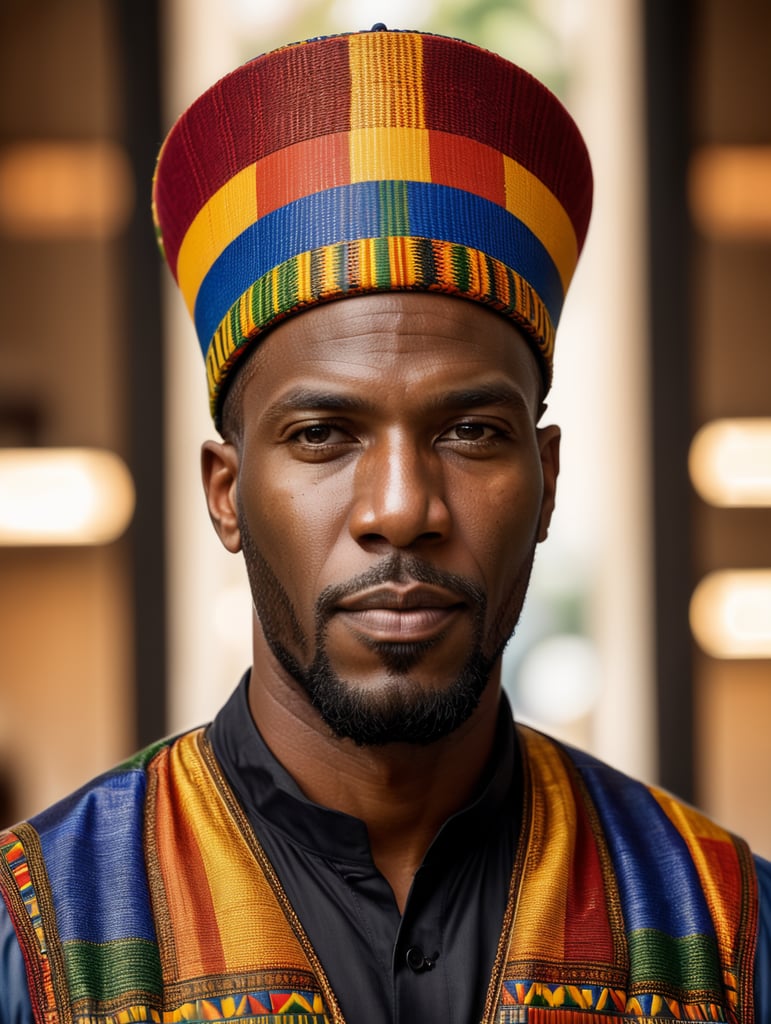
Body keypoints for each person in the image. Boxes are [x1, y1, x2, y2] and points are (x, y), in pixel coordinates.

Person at [0, 25, 768, 1024]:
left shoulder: (728, 931)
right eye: (324, 434)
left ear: (546, 479)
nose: (401, 507)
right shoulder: (38, 942)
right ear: (226, 493)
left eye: (472, 430)